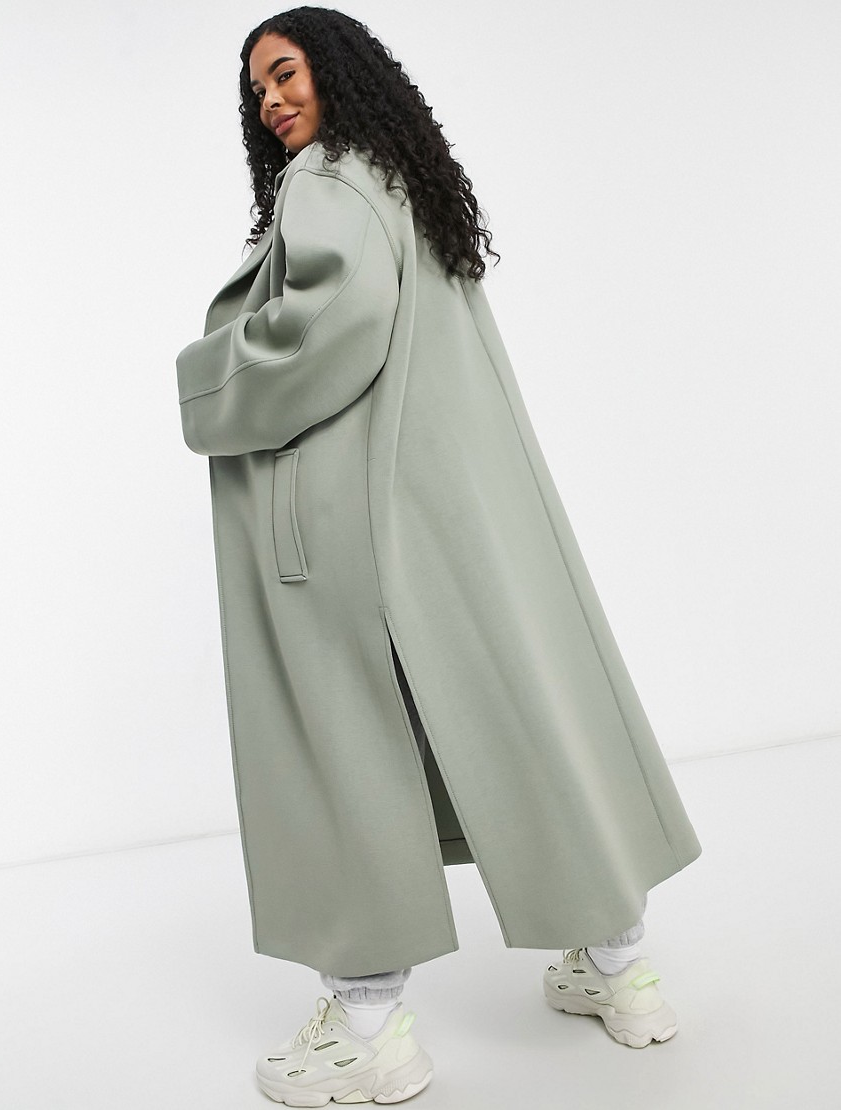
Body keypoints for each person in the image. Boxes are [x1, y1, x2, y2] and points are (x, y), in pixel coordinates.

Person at [175, 6, 702, 1104]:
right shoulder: (407, 180)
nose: (270, 102)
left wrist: (207, 374)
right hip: (462, 508)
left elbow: (327, 326)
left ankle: (369, 1034)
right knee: (526, 715)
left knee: (341, 752)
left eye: (285, 73)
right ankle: (620, 969)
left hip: (352, 515)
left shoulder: (326, 181)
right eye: (256, 89)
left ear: (339, 71)